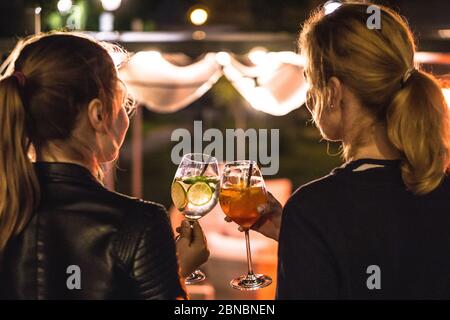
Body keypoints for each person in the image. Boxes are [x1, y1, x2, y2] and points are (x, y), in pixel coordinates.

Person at [236, 3, 450, 299]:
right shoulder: (438, 189)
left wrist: (309, 231)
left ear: (334, 92)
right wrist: (301, 237)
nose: (309, 97)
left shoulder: (316, 209)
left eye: (310, 79)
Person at [0, 32, 209, 299]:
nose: (126, 114)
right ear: (98, 114)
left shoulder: (8, 211)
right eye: (123, 103)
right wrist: (177, 271)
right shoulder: (139, 224)